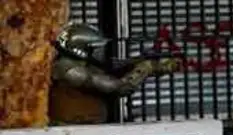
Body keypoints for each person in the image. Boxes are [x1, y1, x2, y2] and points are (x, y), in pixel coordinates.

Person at [49, 23, 179, 125]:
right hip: (71, 132)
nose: (100, 52)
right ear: (81, 49)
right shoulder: (68, 69)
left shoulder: (83, 64)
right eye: (96, 48)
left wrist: (147, 64)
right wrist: (146, 68)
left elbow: (113, 70)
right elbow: (120, 87)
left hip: (85, 129)